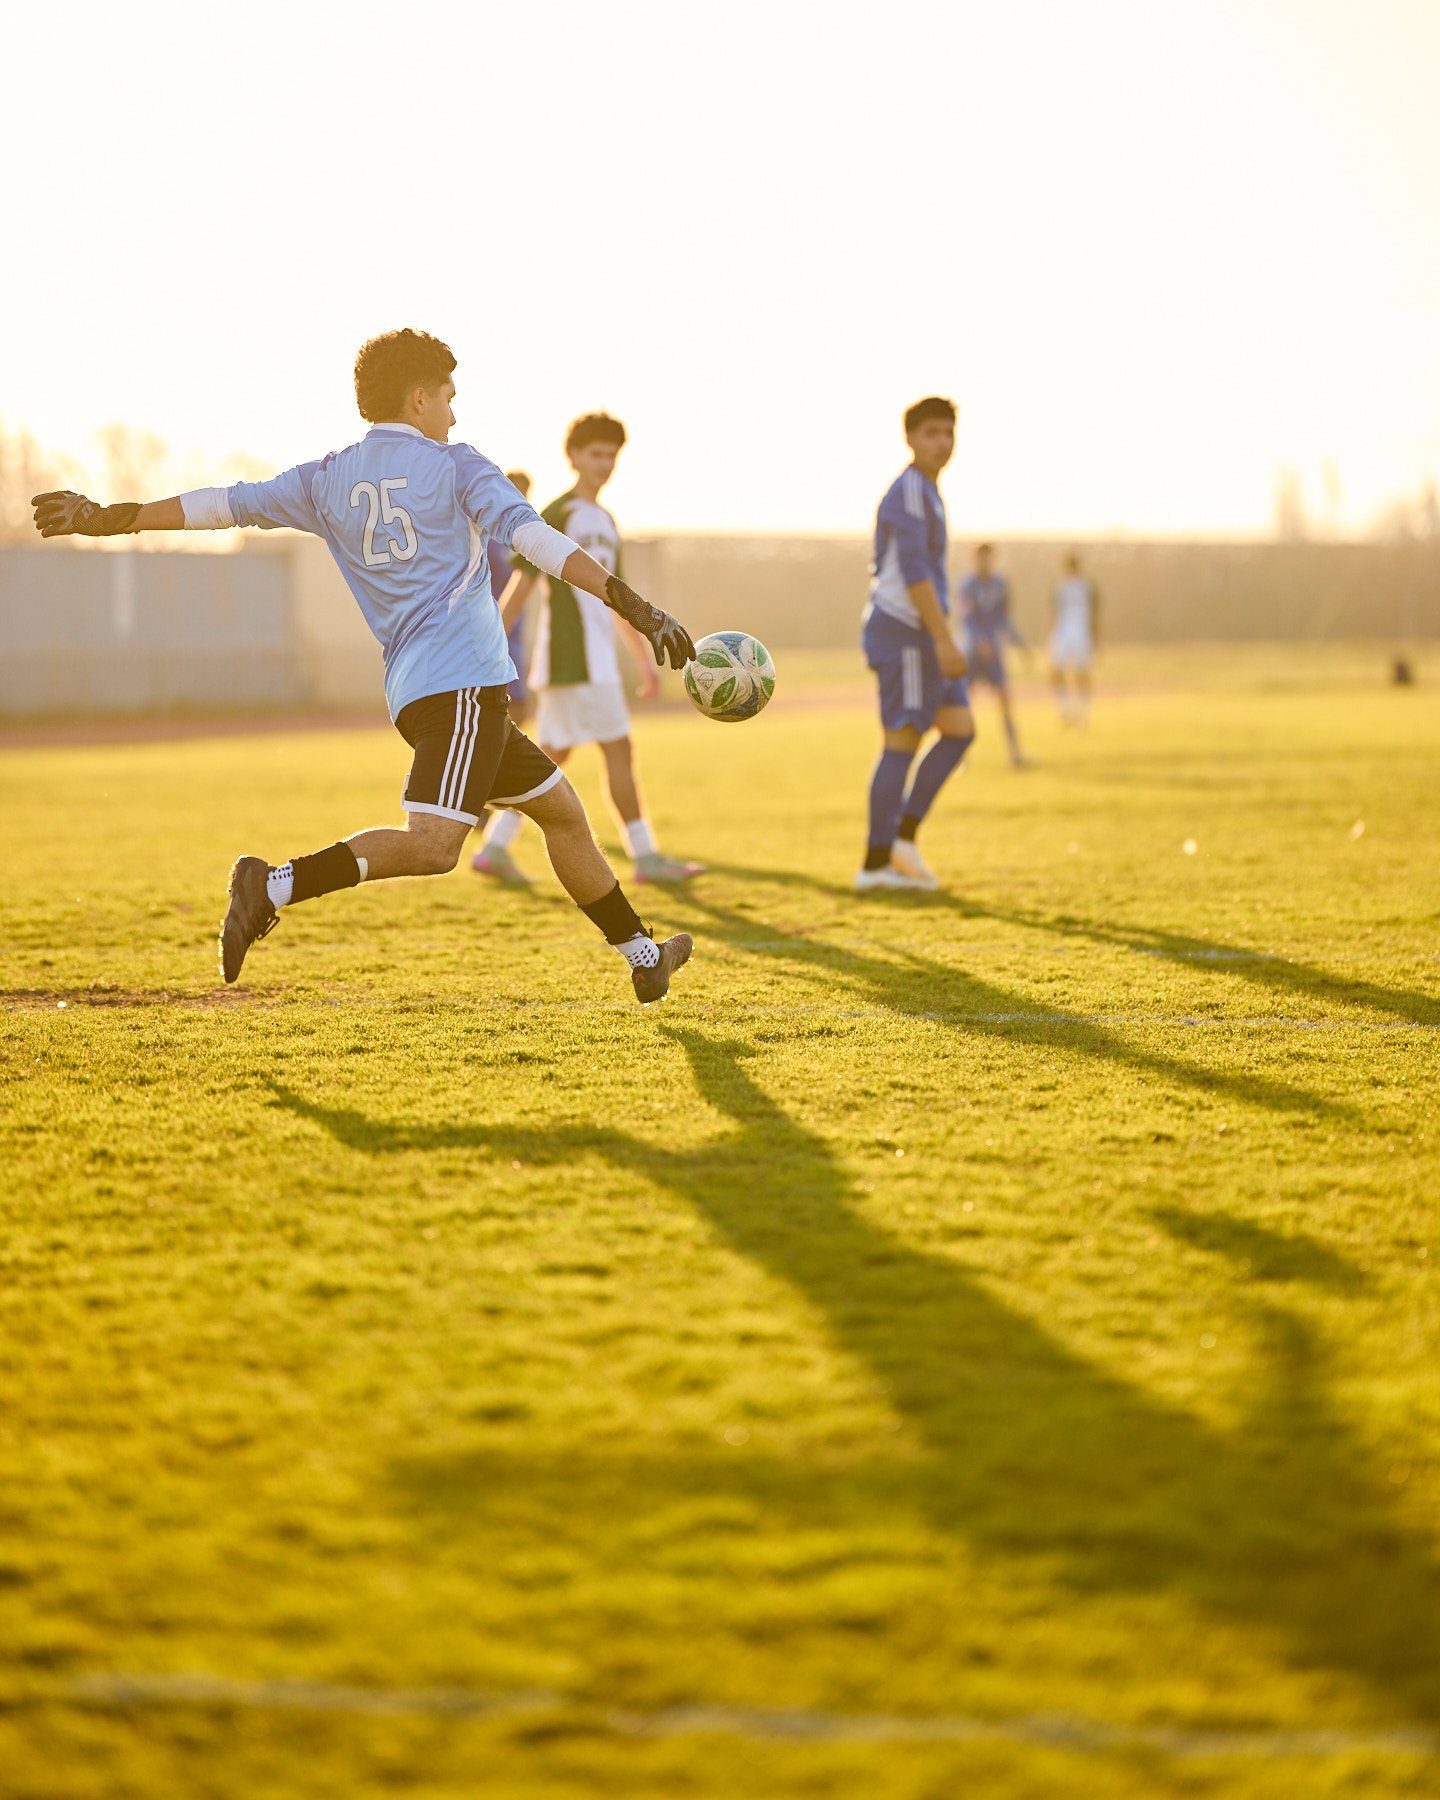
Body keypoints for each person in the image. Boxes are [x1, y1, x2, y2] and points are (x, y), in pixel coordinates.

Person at [30, 330, 697, 1005]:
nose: (454, 415)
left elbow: (220, 504)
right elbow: (538, 542)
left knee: (561, 813)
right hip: (462, 688)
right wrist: (635, 605)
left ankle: (644, 956)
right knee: (435, 847)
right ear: (418, 398)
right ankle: (274, 884)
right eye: (448, 398)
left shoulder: (325, 478)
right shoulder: (458, 465)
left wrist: (112, 518)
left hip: (419, 693)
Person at [472, 412, 704, 886]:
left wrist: (642, 659)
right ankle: (646, 858)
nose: (604, 463)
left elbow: (616, 599)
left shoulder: (606, 521)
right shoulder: (557, 513)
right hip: (571, 660)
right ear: (573, 456)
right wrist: (486, 650)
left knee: (549, 759)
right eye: (595, 454)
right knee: (617, 750)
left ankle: (494, 848)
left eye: (611, 455)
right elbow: (520, 587)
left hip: (594, 663)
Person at [856, 396, 974, 892]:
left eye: (948, 433)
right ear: (910, 438)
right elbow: (917, 575)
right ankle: (876, 864)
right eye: (931, 433)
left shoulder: (927, 490)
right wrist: (945, 639)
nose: (942, 443)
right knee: (902, 740)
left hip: (925, 634)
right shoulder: (908, 492)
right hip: (906, 631)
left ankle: (903, 839)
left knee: (960, 729)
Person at [959, 542, 1029, 766]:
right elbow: (966, 619)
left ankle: (1014, 753)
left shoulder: (1000, 584)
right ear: (975, 559)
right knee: (963, 703)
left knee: (1005, 700)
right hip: (972, 652)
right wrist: (979, 641)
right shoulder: (967, 584)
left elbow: (1004, 619)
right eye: (982, 558)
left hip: (994, 652)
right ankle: (961, 756)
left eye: (989, 558)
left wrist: (1019, 643)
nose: (986, 562)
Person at [1050, 550, 1100, 723]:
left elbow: (1095, 614)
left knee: (1082, 673)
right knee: (1057, 672)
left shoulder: (1087, 587)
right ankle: (1066, 710)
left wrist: (1096, 638)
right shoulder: (1060, 587)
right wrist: (1050, 636)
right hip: (1063, 634)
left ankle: (1082, 712)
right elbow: (1054, 613)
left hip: (1081, 633)